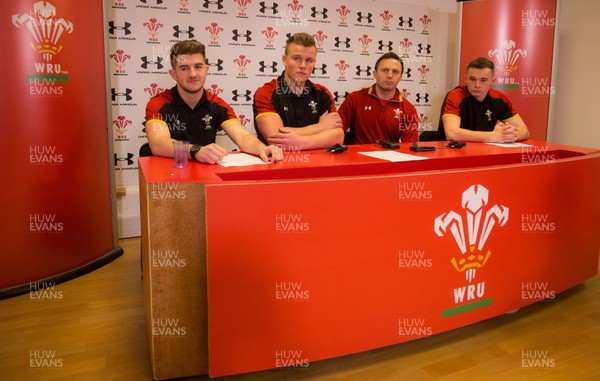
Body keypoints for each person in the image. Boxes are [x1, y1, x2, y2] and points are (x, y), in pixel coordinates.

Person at [145, 39, 281, 164]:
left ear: (206, 69)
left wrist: (262, 148)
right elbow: (158, 143)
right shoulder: (158, 104)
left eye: (198, 66)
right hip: (170, 177)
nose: (193, 74)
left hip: (207, 178)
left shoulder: (217, 105)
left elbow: (242, 137)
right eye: (184, 68)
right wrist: (196, 151)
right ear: (173, 74)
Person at [253, 32, 344, 150]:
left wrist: (300, 142)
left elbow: (338, 136)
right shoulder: (266, 92)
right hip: (278, 164)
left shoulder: (322, 93)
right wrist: (321, 127)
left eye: (309, 60)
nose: (302, 65)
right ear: (285, 60)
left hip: (317, 164)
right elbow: (275, 138)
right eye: (296, 58)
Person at [439, 56, 530, 143]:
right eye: (472, 79)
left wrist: (510, 135)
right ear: (465, 79)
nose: (477, 85)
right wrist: (494, 136)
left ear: (492, 81)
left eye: (483, 80)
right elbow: (451, 133)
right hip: (454, 152)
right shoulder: (455, 95)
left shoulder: (498, 98)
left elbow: (525, 131)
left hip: (486, 151)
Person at [338, 52, 418, 144]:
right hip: (358, 157)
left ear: (400, 78)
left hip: (391, 157)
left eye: (395, 72)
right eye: (385, 70)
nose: (389, 75)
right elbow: (335, 133)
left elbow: (410, 146)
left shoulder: (408, 109)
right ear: (375, 74)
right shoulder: (355, 99)